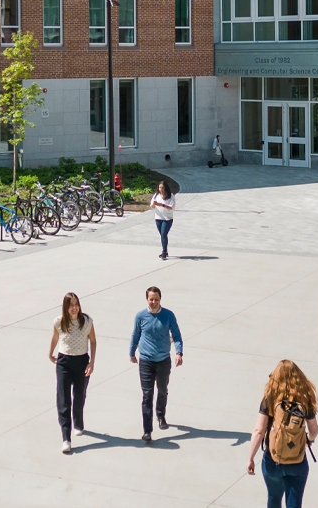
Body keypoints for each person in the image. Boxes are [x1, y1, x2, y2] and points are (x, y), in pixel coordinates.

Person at [244, 359, 318, 508]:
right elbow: (314, 430)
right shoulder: (305, 400)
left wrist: (250, 458)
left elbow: (259, 431)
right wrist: (308, 440)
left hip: (273, 460)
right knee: (294, 503)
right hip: (297, 460)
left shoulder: (270, 398)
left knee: (273, 498)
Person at [128, 285, 183, 442]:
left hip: (163, 360)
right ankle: (147, 431)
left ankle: (160, 415)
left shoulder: (168, 315)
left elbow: (177, 336)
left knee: (163, 390)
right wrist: (132, 352)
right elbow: (135, 335)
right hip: (145, 361)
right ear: (147, 299)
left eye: (156, 299)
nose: (154, 302)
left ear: (160, 300)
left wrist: (179, 353)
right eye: (151, 299)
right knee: (147, 395)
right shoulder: (140, 316)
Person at [48, 292, 96, 454]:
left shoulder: (87, 321)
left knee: (80, 394)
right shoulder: (59, 322)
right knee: (64, 399)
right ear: (65, 307)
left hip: (82, 362)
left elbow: (93, 341)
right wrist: (50, 352)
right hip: (64, 363)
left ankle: (78, 422)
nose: (74, 307)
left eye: (76, 304)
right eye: (71, 305)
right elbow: (55, 338)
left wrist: (92, 362)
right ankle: (66, 438)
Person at [150, 180, 176, 259]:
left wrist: (162, 205)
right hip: (158, 218)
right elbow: (152, 206)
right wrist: (154, 205)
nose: (161, 189)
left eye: (162, 188)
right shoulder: (156, 195)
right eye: (160, 187)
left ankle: (164, 252)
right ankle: (165, 250)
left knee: (164, 234)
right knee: (162, 235)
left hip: (167, 218)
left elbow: (171, 207)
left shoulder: (171, 196)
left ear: (166, 188)